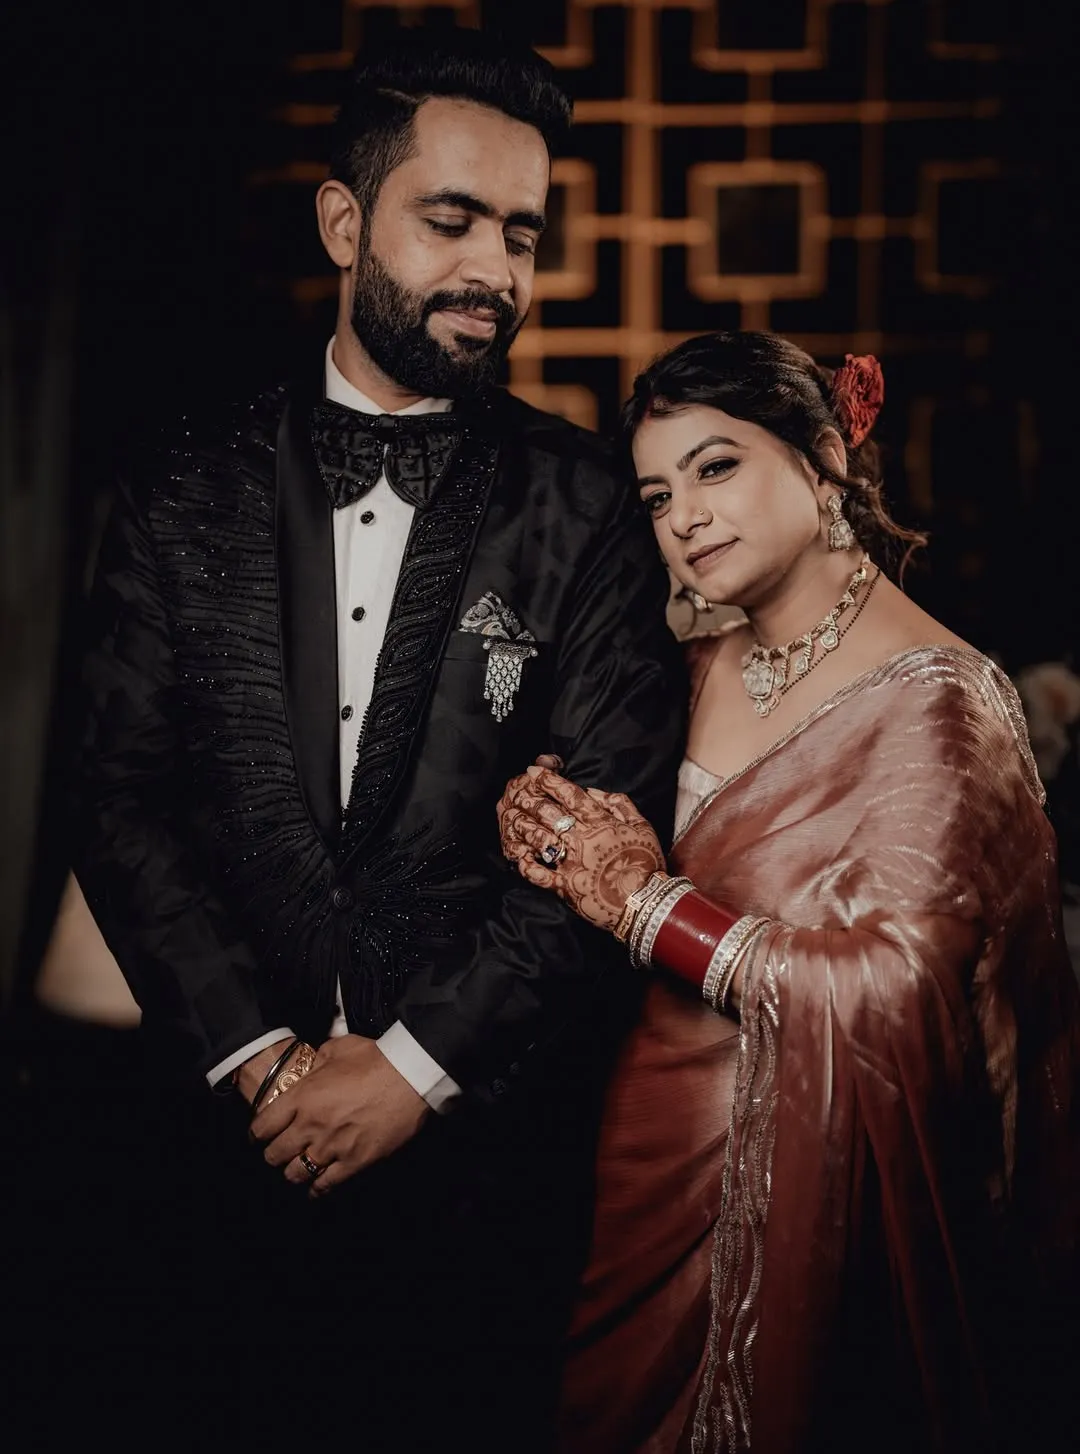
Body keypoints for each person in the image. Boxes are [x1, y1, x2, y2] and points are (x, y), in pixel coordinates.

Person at [69, 27, 684, 1449]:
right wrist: (263, 1062)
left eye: (520, 233)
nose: (495, 270)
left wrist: (409, 1068)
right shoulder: (178, 479)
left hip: (491, 1177)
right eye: (451, 219)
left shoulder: (590, 502)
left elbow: (605, 830)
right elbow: (116, 794)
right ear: (345, 222)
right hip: (212, 1159)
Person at [499, 331, 1080, 1453]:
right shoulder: (687, 659)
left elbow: (898, 997)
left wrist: (646, 907)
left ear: (825, 462)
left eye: (716, 468)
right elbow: (605, 838)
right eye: (657, 495)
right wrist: (542, 814)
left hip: (800, 1192)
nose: (684, 517)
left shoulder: (937, 705)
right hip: (631, 1154)